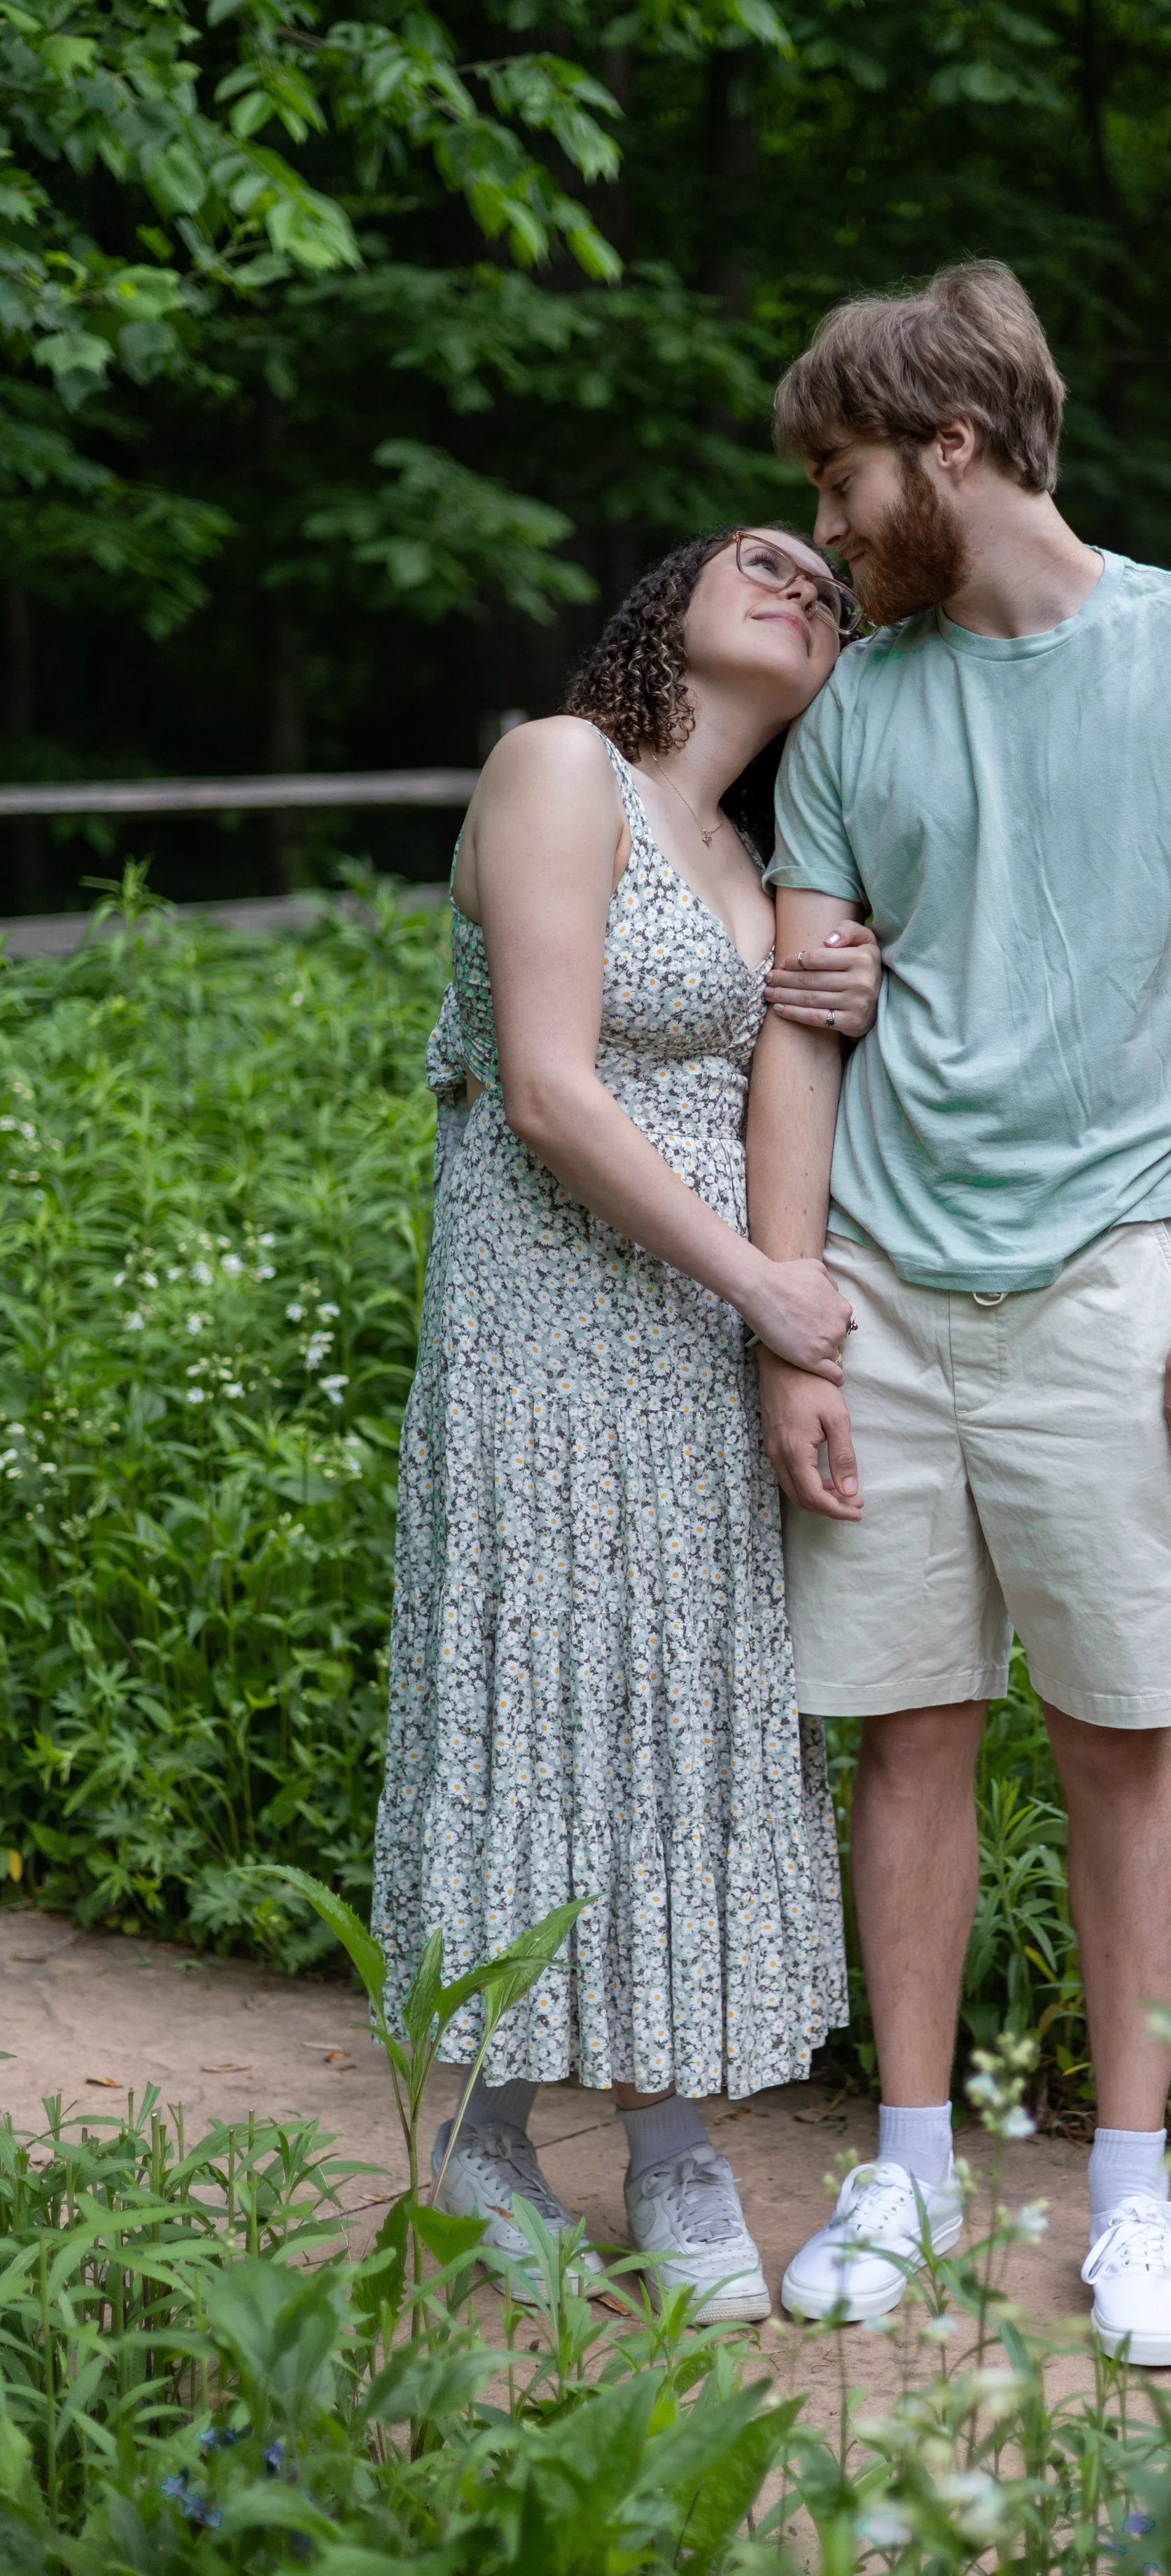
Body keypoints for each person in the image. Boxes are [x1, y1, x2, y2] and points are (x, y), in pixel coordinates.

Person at [746, 263, 1171, 2368]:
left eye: (840, 479)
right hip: (885, 1290)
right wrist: (788, 1317)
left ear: (955, 451)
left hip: (1114, 1276)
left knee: (1120, 1736)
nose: (827, 528)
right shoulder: (861, 704)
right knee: (908, 1730)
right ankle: (905, 2161)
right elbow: (807, 1021)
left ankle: (1126, 2191)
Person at [372, 524, 885, 2323]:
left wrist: (840, 1002)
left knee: (677, 1716)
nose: (805, 588)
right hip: (541, 1326)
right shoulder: (557, 765)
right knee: (543, 1698)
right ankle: (514, 2133)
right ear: (667, 599)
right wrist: (762, 1287)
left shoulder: (755, 867)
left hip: (688, 1351)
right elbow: (542, 1084)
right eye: (766, 559)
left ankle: (642, 2137)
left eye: (834, 595)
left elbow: (777, 1107)